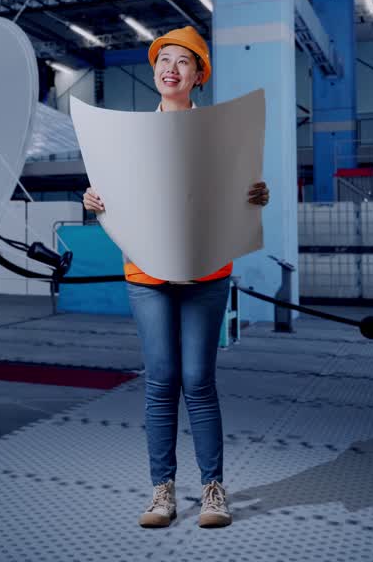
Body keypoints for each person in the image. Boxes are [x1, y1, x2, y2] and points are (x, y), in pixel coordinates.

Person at [82, 26, 269, 530]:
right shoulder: (125, 138)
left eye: (183, 61)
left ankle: (212, 491)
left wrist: (255, 197)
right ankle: (162, 491)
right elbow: (111, 192)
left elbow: (240, 189)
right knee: (161, 380)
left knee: (198, 381)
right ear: (155, 71)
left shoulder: (220, 132)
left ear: (198, 75)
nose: (171, 68)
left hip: (207, 271)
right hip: (146, 273)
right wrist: (93, 200)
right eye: (164, 59)